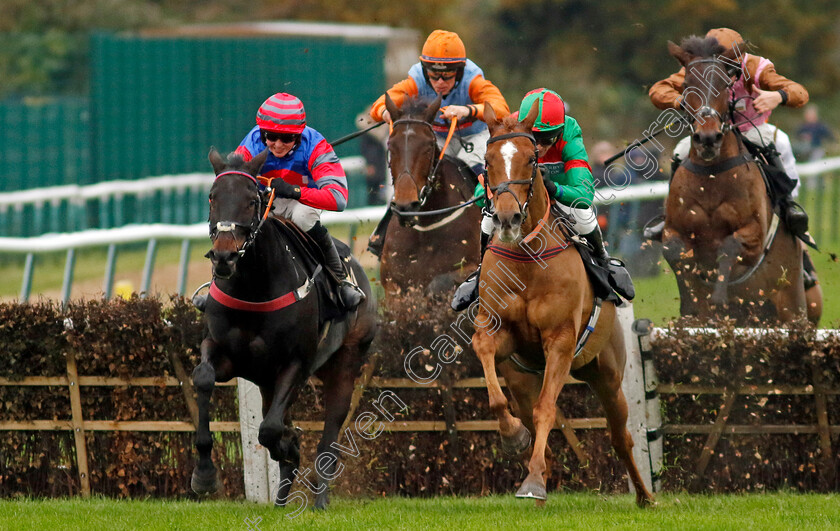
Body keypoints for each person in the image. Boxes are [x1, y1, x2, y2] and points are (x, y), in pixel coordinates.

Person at [451, 88, 634, 311]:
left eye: (547, 139)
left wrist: (554, 188)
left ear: (560, 130)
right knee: (489, 219)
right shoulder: (510, 128)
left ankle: (604, 263)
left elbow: (584, 195)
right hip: (521, 194)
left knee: (582, 215)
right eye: (535, 138)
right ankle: (480, 272)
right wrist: (487, 193)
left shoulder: (570, 131)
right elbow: (491, 180)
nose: (539, 146)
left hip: (559, 189)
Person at [196, 93, 365, 311]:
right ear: (261, 132)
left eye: (287, 139)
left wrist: (294, 191)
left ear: (300, 134)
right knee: (239, 224)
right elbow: (234, 186)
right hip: (266, 201)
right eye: (271, 136)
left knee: (303, 217)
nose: (277, 144)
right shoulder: (252, 142)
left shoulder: (317, 146)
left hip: (302, 203)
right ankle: (215, 287)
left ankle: (342, 282)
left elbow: (338, 198)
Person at [647, 27, 810, 241]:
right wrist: (680, 100)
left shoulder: (755, 67)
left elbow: (800, 93)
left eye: (728, 67)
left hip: (750, 128)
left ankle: (788, 205)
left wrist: (778, 96)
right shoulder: (699, 66)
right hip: (711, 130)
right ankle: (671, 215)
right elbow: (658, 90)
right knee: (680, 150)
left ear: (739, 59)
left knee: (779, 142)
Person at [366, 29, 510, 258]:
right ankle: (383, 231)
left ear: (460, 72)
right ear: (425, 71)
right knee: (411, 173)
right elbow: (381, 104)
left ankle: (499, 229)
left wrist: (468, 110)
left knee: (487, 176)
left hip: (472, 137)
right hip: (438, 137)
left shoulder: (473, 78)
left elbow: (501, 109)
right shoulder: (416, 78)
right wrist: (384, 112)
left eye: (447, 75)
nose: (440, 82)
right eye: (434, 75)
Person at [356, 111, 389, 205]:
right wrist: (369, 164)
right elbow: (365, 148)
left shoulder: (385, 128)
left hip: (383, 163)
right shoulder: (366, 132)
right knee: (373, 191)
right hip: (374, 164)